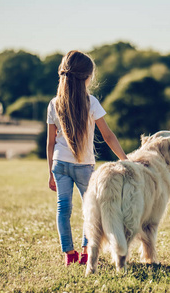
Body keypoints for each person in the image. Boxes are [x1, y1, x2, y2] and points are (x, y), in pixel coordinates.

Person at [46, 50, 128, 266]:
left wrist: (50, 173)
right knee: (90, 209)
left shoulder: (54, 103)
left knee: (63, 209)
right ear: (87, 77)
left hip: (59, 165)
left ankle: (69, 254)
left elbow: (50, 143)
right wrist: (125, 159)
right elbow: (108, 136)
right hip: (84, 166)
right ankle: (85, 253)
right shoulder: (91, 102)